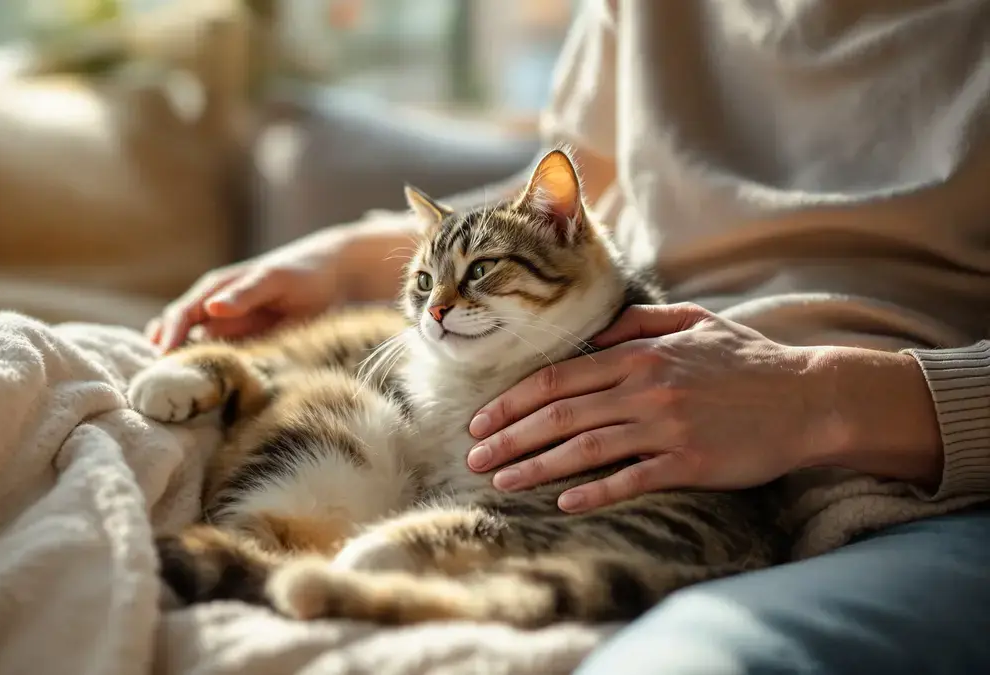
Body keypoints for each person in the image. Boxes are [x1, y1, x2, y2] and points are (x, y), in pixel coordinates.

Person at [148, 2, 990, 673]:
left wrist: (817, 398)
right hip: (587, 388)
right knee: (70, 413)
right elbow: (554, 198)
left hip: (901, 498)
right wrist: (343, 259)